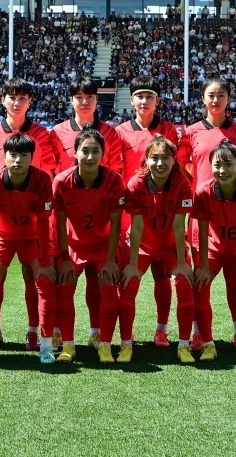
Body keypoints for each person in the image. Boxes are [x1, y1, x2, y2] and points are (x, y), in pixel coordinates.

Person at [0, 78, 58, 351]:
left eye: (22, 98)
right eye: (12, 97)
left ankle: (34, 331)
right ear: (3, 100)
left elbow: (47, 174)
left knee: (34, 278)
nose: (17, 102)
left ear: (29, 102)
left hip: (33, 220)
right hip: (0, 219)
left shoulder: (42, 134)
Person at [176, 75, 236, 350]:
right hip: (203, 213)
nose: (216, 99)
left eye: (221, 94)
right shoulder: (191, 132)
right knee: (201, 278)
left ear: (229, 98)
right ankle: (199, 332)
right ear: (203, 98)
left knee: (235, 280)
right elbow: (180, 165)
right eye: (211, 94)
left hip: (233, 214)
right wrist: (197, 185)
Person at [115, 76, 182, 345]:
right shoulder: (119, 132)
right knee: (128, 275)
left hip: (163, 213)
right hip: (131, 213)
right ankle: (124, 335)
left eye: (149, 96)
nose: (144, 101)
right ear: (131, 100)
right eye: (139, 96)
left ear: (157, 101)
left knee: (162, 276)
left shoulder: (168, 130)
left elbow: (176, 170)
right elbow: (117, 172)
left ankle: (161, 329)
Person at [51, 127, 127, 364]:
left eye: (96, 151)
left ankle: (104, 343)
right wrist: (63, 258)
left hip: (104, 246)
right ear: (75, 153)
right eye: (85, 151)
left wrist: (111, 259)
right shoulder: (62, 182)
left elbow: (116, 226)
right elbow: (59, 224)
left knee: (108, 288)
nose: (91, 156)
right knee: (65, 288)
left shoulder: (114, 181)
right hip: (73, 246)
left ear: (104, 154)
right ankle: (68, 345)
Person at [191, 140, 236, 364]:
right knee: (199, 287)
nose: (222, 170)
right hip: (214, 250)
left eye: (228, 164)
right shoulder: (203, 191)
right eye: (217, 165)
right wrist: (202, 266)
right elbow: (202, 233)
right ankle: (208, 344)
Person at [124, 136, 196, 361]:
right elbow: (135, 227)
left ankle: (169, 335)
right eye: (154, 158)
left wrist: (182, 264)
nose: (160, 163)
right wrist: (132, 265)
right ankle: (126, 340)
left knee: (185, 287)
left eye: (166, 158)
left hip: (169, 246)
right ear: (146, 159)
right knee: (128, 286)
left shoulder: (182, 183)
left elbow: (178, 225)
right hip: (142, 245)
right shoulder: (136, 183)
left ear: (175, 160)